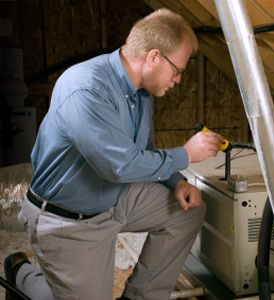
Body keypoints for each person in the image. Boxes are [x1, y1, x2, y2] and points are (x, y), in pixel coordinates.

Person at [4, 8, 224, 300]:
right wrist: (186, 153)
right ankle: (21, 271)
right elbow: (118, 167)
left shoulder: (140, 92)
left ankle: (139, 296)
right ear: (154, 57)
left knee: (188, 211)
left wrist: (177, 182)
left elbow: (142, 153)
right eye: (178, 70)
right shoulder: (85, 87)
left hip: (113, 198)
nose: (178, 80)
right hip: (69, 220)